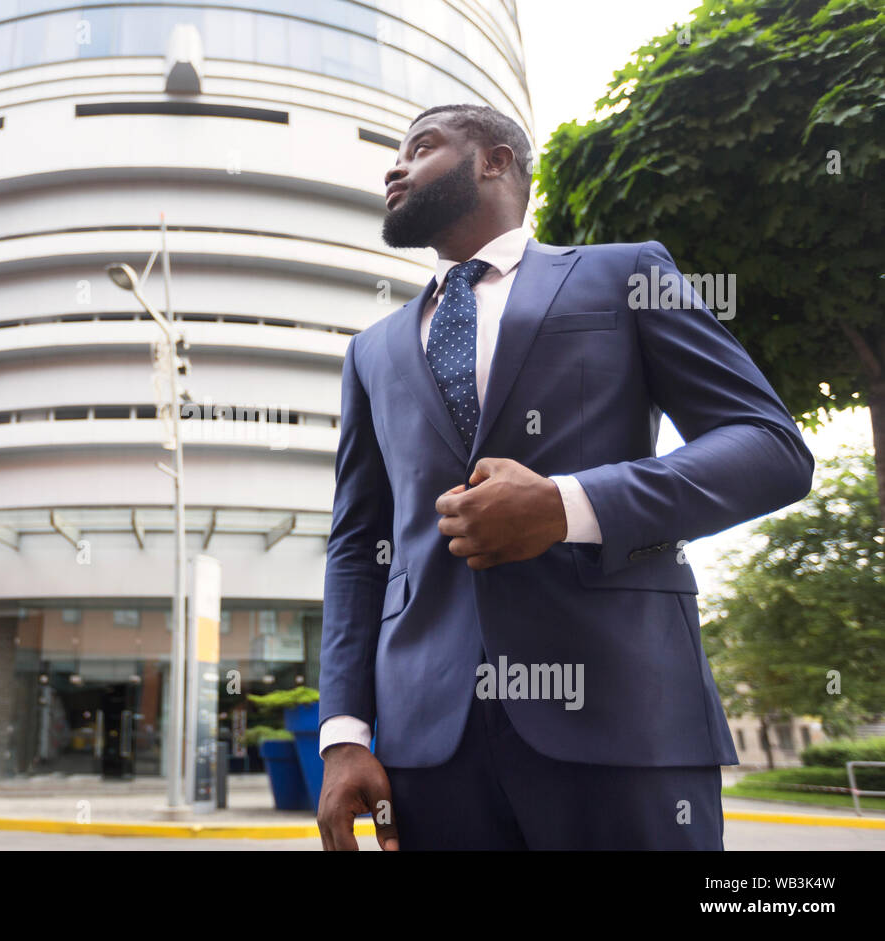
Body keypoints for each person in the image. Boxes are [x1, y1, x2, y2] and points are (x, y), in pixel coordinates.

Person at [315, 103, 814, 851]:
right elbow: (358, 548)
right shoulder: (371, 352)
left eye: (420, 148)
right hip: (427, 751)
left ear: (495, 160)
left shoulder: (627, 274)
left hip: (624, 717)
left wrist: (568, 504)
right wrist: (344, 733)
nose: (395, 168)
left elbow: (771, 447)